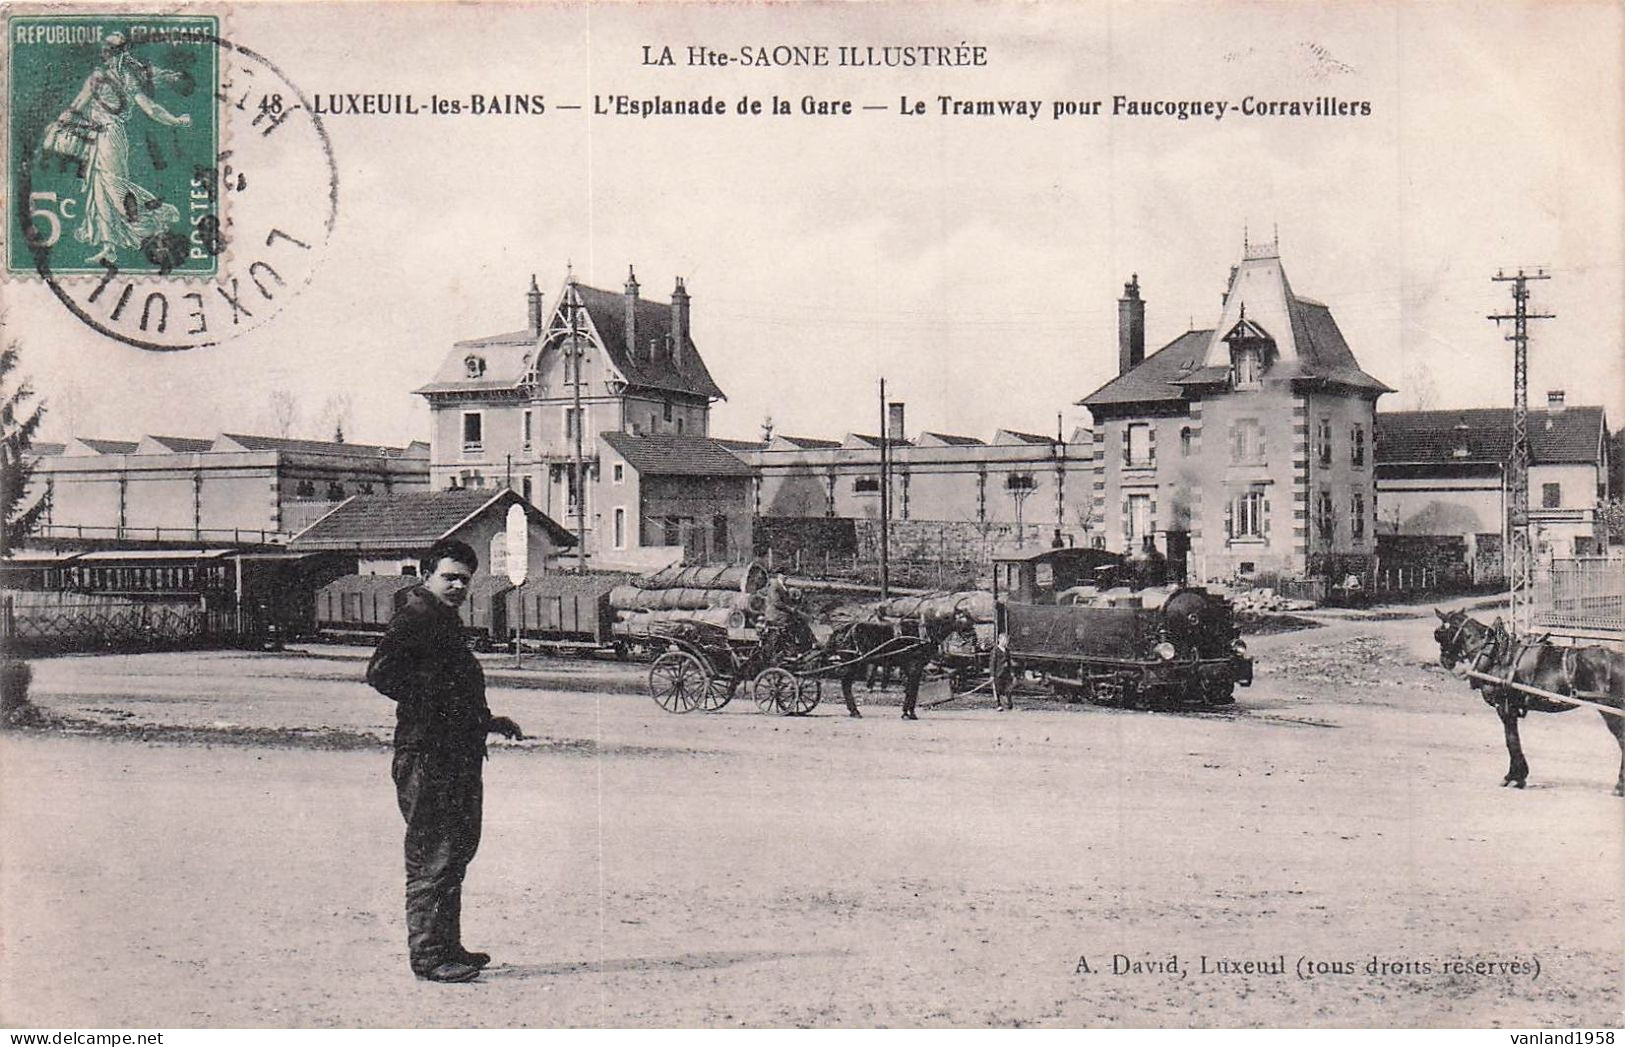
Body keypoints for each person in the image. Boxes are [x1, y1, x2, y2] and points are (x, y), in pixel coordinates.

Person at [366, 539, 524, 983]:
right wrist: (439, 709)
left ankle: (448, 946)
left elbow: (451, 687)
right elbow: (381, 673)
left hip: (454, 754)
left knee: (455, 853)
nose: (457, 585)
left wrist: (489, 720)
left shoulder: (442, 620)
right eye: (448, 577)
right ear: (426, 576)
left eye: (464, 579)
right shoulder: (417, 616)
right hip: (428, 755)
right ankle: (429, 957)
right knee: (433, 856)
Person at [47, 32, 189, 265]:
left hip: (109, 136)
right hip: (102, 136)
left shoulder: (113, 78)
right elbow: (148, 107)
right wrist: (175, 120)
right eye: (108, 49)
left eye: (110, 50)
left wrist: (176, 121)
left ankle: (155, 216)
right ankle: (108, 247)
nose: (107, 53)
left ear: (115, 52)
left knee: (113, 186)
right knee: (99, 189)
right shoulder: (121, 77)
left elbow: (77, 106)